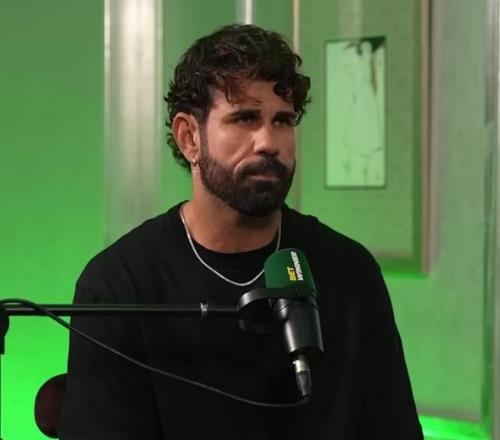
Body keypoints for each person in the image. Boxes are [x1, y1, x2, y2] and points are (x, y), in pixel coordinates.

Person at [60, 24, 423, 439]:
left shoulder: (350, 271)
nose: (269, 142)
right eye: (245, 118)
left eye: (283, 120)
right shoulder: (118, 285)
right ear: (189, 138)